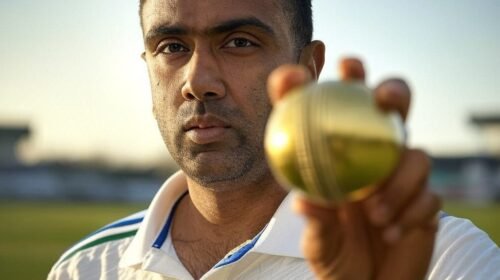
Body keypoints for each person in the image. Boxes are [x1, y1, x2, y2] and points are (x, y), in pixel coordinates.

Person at [48, 0, 500, 279]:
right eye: (171, 47)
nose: (198, 81)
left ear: (308, 69)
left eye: (240, 42)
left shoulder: (443, 259)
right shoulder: (85, 268)